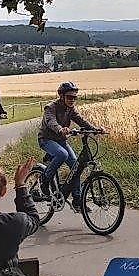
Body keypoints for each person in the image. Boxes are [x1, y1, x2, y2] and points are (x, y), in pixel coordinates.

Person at [37, 81, 100, 210]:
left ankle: (77, 200)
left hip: (61, 141)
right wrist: (60, 129)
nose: (72, 100)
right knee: (62, 154)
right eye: (69, 97)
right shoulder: (51, 107)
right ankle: (44, 180)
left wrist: (95, 129)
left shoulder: (71, 109)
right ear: (61, 96)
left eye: (75, 97)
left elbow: (81, 120)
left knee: (76, 166)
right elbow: (51, 122)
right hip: (46, 139)